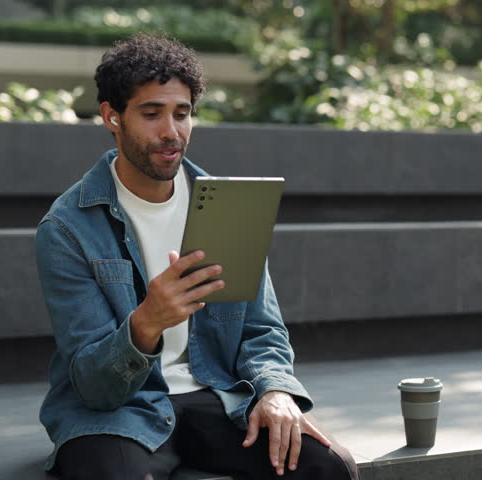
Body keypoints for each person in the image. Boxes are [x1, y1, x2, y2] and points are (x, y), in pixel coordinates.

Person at [35, 33, 358, 480]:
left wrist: (276, 390)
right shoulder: (68, 228)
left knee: (329, 467)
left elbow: (263, 330)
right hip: (122, 409)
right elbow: (93, 386)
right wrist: (148, 321)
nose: (171, 131)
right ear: (111, 116)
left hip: (219, 396)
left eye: (182, 114)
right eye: (151, 114)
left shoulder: (229, 207)